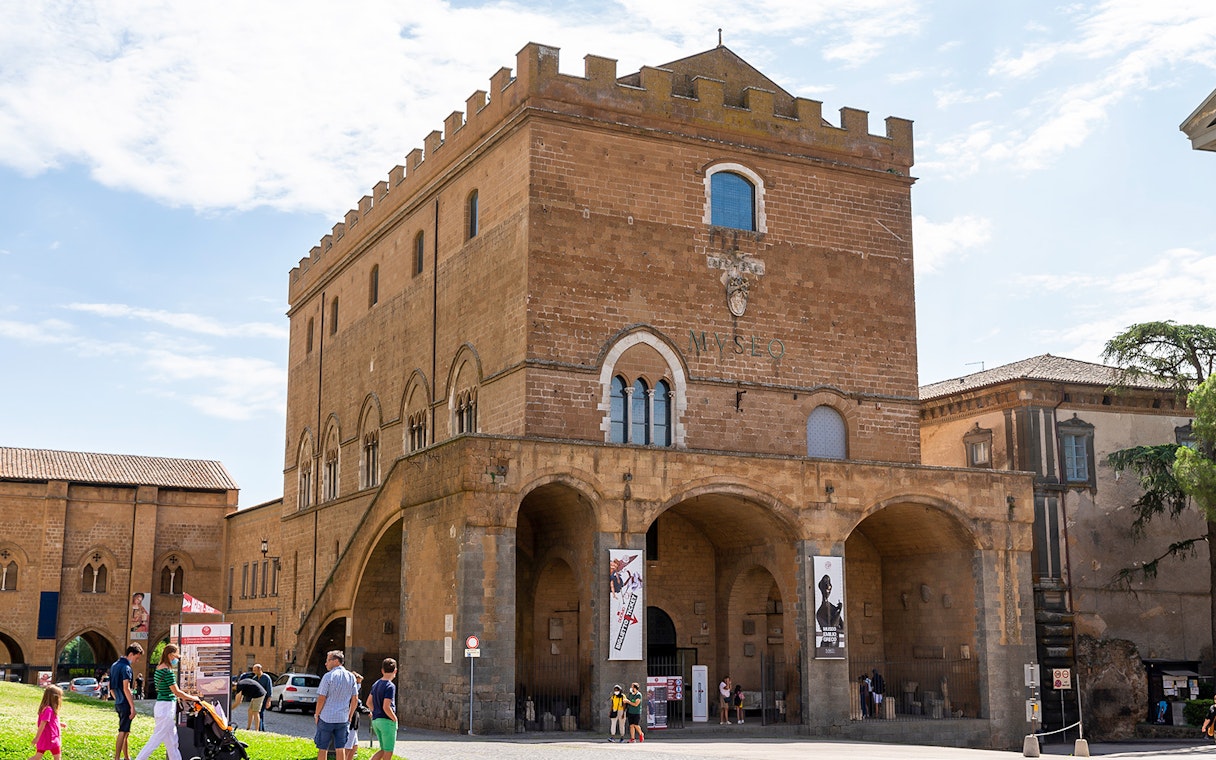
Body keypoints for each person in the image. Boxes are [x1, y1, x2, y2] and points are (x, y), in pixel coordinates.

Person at [134, 643, 200, 760]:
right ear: (170, 655)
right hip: (166, 708)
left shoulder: (159, 669)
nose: (177, 659)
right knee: (156, 740)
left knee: (173, 742)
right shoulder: (167, 672)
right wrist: (193, 698)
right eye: (176, 656)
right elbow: (177, 692)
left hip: (162, 706)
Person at [315, 649, 359, 760]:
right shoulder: (351, 677)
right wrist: (349, 715)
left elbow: (321, 698)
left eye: (328, 660)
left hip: (326, 717)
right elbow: (355, 699)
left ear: (336, 661)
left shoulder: (328, 676)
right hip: (343, 718)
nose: (326, 663)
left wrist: (317, 714)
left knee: (323, 747)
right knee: (340, 748)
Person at [111, 643, 143, 760]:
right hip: (125, 703)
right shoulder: (126, 668)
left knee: (126, 732)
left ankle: (126, 757)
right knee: (123, 731)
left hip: (119, 702)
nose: (137, 661)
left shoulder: (114, 665)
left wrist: (117, 700)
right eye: (137, 657)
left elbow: (111, 688)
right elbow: (126, 688)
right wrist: (132, 707)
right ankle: (117, 757)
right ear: (131, 654)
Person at [367, 658, 398, 760]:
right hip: (387, 722)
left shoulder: (376, 684)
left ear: (382, 670)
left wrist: (375, 711)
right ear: (395, 671)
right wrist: (394, 719)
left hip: (376, 721)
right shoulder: (390, 686)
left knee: (383, 749)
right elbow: (386, 706)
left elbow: (368, 702)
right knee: (388, 752)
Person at [29, 684, 63, 760]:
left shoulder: (48, 709)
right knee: (56, 757)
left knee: (38, 757)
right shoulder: (48, 710)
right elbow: (42, 724)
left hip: (47, 738)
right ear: (55, 698)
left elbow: (51, 721)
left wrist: (60, 724)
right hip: (50, 738)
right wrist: (37, 738)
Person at [343, 671, 366, 755]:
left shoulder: (353, 689)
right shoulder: (349, 691)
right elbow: (356, 704)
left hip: (354, 721)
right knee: (348, 747)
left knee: (354, 746)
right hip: (350, 721)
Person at [252, 664, 272, 731]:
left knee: (260, 713)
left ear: (259, 669)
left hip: (264, 699)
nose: (253, 672)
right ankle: (261, 729)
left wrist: (268, 701)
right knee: (258, 713)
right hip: (256, 699)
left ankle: (260, 729)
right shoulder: (254, 678)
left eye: (255, 670)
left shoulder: (266, 678)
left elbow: (269, 690)